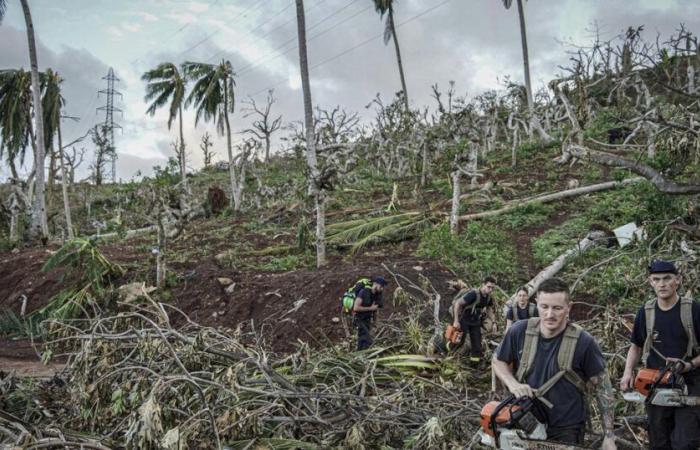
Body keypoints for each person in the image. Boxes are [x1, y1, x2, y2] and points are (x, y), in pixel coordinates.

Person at [492, 278, 616, 449]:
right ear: (536, 304)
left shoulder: (584, 342)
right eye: (544, 307)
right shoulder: (519, 331)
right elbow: (498, 360)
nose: (550, 314)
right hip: (525, 421)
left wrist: (608, 436)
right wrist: (513, 384)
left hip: (566, 427)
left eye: (557, 308)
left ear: (568, 307)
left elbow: (603, 387)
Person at [620, 260, 700, 450]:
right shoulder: (646, 312)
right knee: (659, 442)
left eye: (667, 278)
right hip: (655, 385)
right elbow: (636, 346)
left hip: (689, 385)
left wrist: (688, 365)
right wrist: (627, 372)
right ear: (650, 282)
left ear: (678, 280)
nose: (662, 284)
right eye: (657, 279)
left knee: (684, 443)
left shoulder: (693, 310)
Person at [452, 276, 497, 364]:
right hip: (464, 319)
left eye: (492, 288)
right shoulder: (473, 294)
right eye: (488, 287)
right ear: (483, 285)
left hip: (475, 321)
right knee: (458, 340)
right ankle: (444, 350)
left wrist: (494, 322)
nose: (490, 289)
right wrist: (456, 321)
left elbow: (489, 310)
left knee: (477, 344)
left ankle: (474, 363)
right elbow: (458, 304)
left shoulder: (488, 298)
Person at [353, 276, 386, 351]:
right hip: (359, 319)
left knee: (363, 341)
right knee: (366, 339)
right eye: (381, 286)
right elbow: (356, 307)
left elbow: (376, 311)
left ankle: (360, 356)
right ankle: (361, 356)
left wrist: (376, 323)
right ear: (375, 284)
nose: (382, 288)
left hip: (367, 320)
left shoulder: (377, 295)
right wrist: (370, 308)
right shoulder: (364, 292)